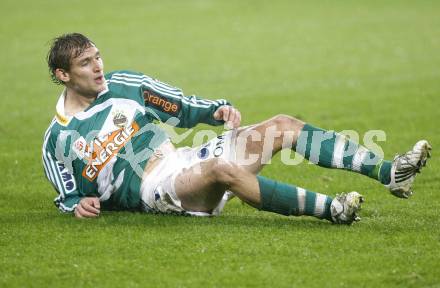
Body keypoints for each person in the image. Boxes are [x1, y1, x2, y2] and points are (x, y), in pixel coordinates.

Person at [42, 33, 431, 224]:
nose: (98, 67)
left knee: (282, 125)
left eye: (98, 57)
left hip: (185, 159)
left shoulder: (124, 85)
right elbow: (68, 195)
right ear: (63, 75)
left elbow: (179, 106)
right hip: (158, 190)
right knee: (220, 171)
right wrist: (77, 204)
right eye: (86, 64)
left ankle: (389, 172)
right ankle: (333, 210)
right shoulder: (58, 141)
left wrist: (217, 111)